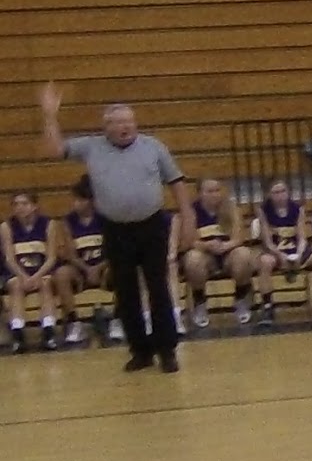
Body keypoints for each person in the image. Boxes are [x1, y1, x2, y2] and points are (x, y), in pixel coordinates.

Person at [42, 85, 194, 374]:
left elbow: (176, 182)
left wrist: (187, 216)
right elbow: (54, 150)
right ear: (107, 127)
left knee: (158, 287)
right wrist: (50, 115)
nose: (126, 127)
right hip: (115, 229)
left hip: (152, 225)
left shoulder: (153, 146)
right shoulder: (92, 147)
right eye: (119, 122)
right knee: (125, 291)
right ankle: (140, 350)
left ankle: (167, 350)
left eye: (129, 121)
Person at [180, 179, 260, 328]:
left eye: (217, 190)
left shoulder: (231, 208)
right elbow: (188, 241)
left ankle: (241, 297)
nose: (214, 194)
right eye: (209, 191)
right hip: (205, 255)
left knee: (244, 255)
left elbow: (239, 237)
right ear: (200, 193)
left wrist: (225, 246)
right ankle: (200, 301)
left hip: (228, 254)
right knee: (193, 259)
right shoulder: (192, 211)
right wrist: (206, 245)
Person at [257, 179, 312, 323]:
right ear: (269, 194)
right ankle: (268, 306)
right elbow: (267, 242)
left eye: (283, 191)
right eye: (276, 192)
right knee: (264, 262)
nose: (280, 195)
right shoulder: (263, 210)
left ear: (288, 192)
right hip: (275, 250)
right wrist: (279, 254)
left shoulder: (297, 208)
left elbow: (302, 237)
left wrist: (300, 254)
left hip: (296, 249)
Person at [3, 192, 60, 352]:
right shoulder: (6, 227)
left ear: (34, 206)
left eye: (24, 203)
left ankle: (48, 332)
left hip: (42, 271)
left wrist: (36, 276)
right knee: (16, 286)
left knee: (46, 284)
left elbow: (52, 258)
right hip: (17, 272)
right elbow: (9, 259)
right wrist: (24, 277)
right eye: (16, 204)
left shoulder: (49, 224)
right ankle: (18, 334)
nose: (20, 207)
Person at [51, 175, 103, 346]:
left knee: (123, 267)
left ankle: (118, 319)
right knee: (61, 273)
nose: (76, 203)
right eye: (75, 200)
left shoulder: (106, 218)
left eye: (80, 200)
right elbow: (69, 253)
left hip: (104, 267)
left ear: (91, 201)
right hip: (80, 269)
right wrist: (88, 269)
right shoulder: (68, 221)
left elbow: (114, 250)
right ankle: (74, 322)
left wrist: (98, 268)